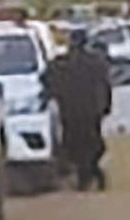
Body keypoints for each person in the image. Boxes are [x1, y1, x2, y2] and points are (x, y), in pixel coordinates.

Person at [42, 28, 112, 191]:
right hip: (89, 111)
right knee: (90, 144)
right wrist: (106, 106)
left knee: (76, 144)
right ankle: (91, 172)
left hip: (71, 111)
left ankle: (88, 174)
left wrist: (52, 96)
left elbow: (47, 82)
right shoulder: (95, 62)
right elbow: (106, 86)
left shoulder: (60, 63)